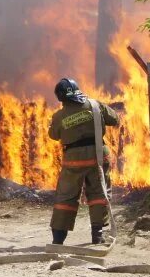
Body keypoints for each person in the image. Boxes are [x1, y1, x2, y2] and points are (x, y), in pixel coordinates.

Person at [47, 78, 120, 246]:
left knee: (66, 197)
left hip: (74, 160)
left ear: (60, 98)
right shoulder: (95, 105)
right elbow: (115, 119)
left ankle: (58, 239)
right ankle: (98, 235)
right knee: (99, 194)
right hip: (98, 156)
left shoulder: (59, 116)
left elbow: (54, 135)